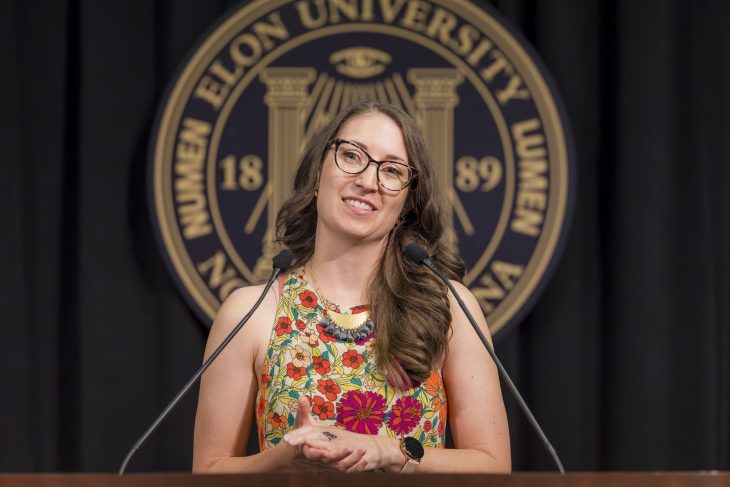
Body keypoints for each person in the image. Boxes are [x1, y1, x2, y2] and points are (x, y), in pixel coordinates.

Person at [192, 100, 511, 473]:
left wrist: (390, 452)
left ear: (406, 203)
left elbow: (492, 465)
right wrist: (288, 456)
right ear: (316, 176)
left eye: (391, 170)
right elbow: (209, 471)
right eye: (351, 155)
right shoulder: (250, 312)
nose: (367, 180)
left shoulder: (449, 306)